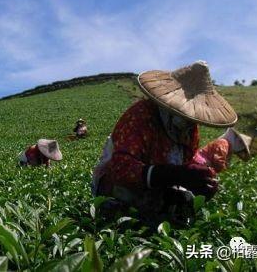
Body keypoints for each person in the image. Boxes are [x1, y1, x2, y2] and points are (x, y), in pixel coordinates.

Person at [91, 61, 244, 228]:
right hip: (115, 187)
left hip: (157, 187)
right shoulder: (141, 115)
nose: (189, 121)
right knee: (127, 217)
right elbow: (121, 169)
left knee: (181, 206)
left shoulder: (189, 129)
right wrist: (174, 175)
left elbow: (185, 161)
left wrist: (199, 177)